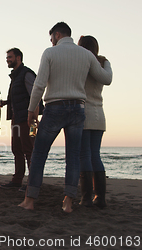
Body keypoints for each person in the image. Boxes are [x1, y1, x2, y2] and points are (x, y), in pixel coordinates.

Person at [18, 22, 112, 213]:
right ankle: (68, 202)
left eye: (51, 37)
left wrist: (31, 110)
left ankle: (29, 200)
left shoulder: (50, 53)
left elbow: (39, 84)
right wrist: (106, 62)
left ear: (58, 35)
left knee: (39, 155)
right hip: (78, 109)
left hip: (55, 108)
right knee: (73, 157)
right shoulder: (86, 55)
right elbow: (104, 78)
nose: (51, 41)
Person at [0, 48, 41, 191]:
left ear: (18, 58)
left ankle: (32, 182)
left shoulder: (27, 74)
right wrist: (5, 103)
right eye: (7, 58)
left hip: (28, 119)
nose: (7, 60)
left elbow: (35, 96)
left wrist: (33, 118)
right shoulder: (15, 77)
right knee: (16, 149)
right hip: (16, 118)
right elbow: (18, 97)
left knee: (29, 149)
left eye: (10, 57)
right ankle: (17, 180)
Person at [78, 35, 111, 208]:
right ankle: (100, 197)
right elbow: (108, 79)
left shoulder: (82, 63)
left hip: (85, 113)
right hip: (99, 113)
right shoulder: (103, 63)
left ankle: (86, 198)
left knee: (85, 155)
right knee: (95, 154)